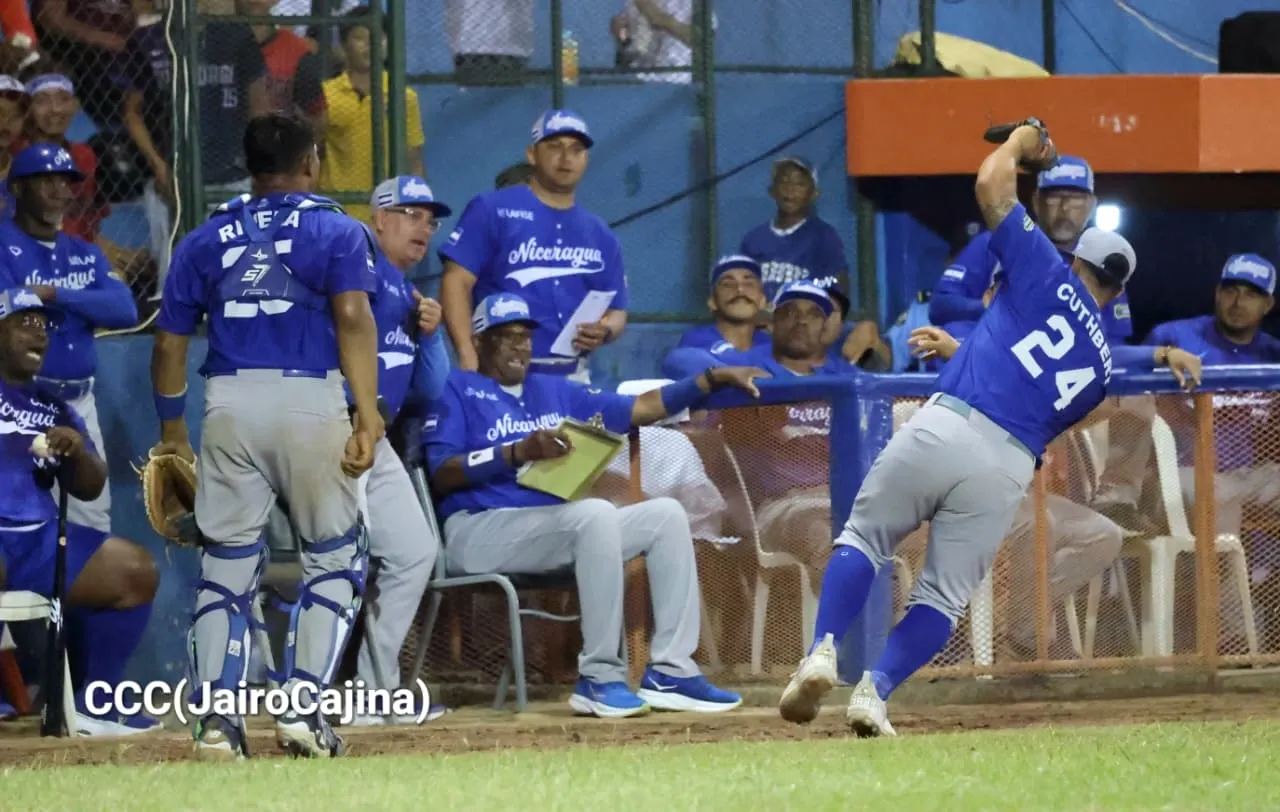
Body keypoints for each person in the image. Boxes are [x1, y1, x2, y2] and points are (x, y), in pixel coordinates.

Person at [776, 122, 1200, 737]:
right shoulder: (1104, 363)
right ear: (1117, 291)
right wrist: (967, 347)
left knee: (866, 539)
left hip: (949, 424)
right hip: (1005, 466)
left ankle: (823, 652)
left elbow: (989, 185)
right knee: (943, 597)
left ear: (1079, 257)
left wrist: (1022, 143)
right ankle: (877, 695)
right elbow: (1035, 376)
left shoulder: (1045, 269)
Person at [149, 113, 383, 761]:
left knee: (225, 566)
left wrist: (172, 431)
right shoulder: (339, 228)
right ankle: (302, 711)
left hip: (229, 402)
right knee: (336, 555)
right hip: (311, 396)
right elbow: (354, 316)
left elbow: (169, 344)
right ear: (311, 161)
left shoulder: (204, 237)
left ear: (252, 167)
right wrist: (367, 412)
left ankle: (216, 726)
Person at [424, 292, 761, 718]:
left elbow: (642, 407)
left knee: (664, 516)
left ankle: (672, 671)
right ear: (480, 341)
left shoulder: (553, 390)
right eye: (505, 336)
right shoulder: (459, 388)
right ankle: (599, 675)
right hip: (477, 531)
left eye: (525, 336)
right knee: (594, 513)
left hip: (548, 528)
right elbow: (441, 470)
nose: (519, 346)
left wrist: (710, 379)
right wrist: (515, 452)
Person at [269, 175, 452, 726]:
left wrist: (433, 336)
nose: (424, 226)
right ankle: (313, 697)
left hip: (381, 437)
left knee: (416, 551)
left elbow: (429, 391)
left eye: (431, 218)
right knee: (342, 560)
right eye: (411, 213)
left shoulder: (407, 294)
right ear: (378, 218)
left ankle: (376, 692)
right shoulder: (348, 270)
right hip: (336, 430)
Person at [927, 155, 1150, 532]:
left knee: (1140, 400)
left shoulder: (1098, 266)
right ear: (1036, 202)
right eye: (1054, 197)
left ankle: (1113, 503)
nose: (1064, 208)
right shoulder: (999, 242)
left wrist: (1156, 355)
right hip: (998, 395)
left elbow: (1109, 351)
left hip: (1059, 398)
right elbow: (941, 303)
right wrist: (995, 310)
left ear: (1092, 205)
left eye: (1075, 198)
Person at [908, 290, 1126, 660]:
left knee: (1103, 536)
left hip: (1018, 493)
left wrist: (1157, 356)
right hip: (962, 493)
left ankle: (1018, 622)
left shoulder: (1045, 350)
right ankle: (1028, 645)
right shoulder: (959, 338)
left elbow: (1105, 398)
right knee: (1038, 526)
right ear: (990, 295)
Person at [0, 286, 158, 736]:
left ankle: (97, 704)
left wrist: (76, 454)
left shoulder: (55, 407)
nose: (40, 334)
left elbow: (90, 487)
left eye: (44, 325)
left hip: (37, 542)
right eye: (25, 323)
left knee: (134, 569)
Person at [666, 281, 861, 584]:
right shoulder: (749, 366)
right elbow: (677, 360)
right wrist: (728, 375)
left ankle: (899, 629)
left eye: (812, 314)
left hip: (850, 501)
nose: (801, 320)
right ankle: (838, 632)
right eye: (790, 312)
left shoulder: (843, 375)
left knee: (918, 536)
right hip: (784, 506)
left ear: (825, 325)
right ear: (770, 322)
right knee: (831, 543)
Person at [0, 143, 139, 535]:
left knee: (92, 518)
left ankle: (76, 597)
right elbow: (9, 310)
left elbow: (123, 309)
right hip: (18, 402)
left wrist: (55, 295)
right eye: (47, 181)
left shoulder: (85, 252)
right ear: (18, 188)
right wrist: (82, 306)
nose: (61, 190)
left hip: (79, 402)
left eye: (66, 181)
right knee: (16, 514)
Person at [439, 110, 626, 384]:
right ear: (532, 154)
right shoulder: (493, 209)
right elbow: (456, 282)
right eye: (555, 147)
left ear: (586, 159)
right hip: (500, 373)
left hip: (572, 375)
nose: (566, 158)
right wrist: (467, 356)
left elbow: (617, 309)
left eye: (577, 150)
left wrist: (606, 329)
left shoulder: (599, 233)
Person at [1142, 254, 1280, 537]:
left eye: (1252, 294)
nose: (1238, 303)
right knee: (1217, 496)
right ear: (1217, 293)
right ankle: (1216, 583)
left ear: (1268, 305)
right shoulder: (1173, 338)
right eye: (1230, 291)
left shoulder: (1273, 354)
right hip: (1183, 473)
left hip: (1249, 476)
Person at [738, 157, 849, 304]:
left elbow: (838, 284)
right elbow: (742, 286)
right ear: (772, 190)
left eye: (800, 184)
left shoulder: (824, 237)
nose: (790, 189)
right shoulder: (753, 240)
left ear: (814, 193)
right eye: (784, 181)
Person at [676, 255, 770, 355]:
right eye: (728, 284)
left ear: (762, 301)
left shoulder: (771, 345)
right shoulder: (697, 341)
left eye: (749, 284)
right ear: (712, 302)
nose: (740, 289)